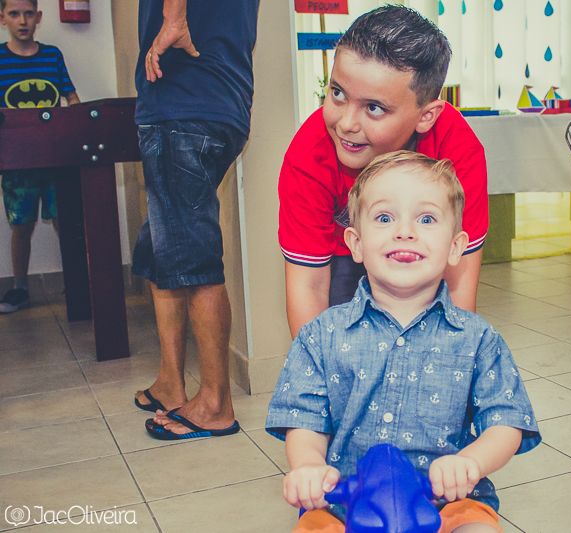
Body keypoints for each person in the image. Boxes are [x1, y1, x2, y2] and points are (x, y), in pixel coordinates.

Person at [266, 151, 539, 533]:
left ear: (456, 247)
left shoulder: (478, 339)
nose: (405, 231)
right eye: (384, 218)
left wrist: (471, 462)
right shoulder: (321, 335)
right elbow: (304, 420)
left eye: (426, 219)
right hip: (343, 503)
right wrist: (310, 467)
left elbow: (506, 422)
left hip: (449, 503)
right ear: (356, 244)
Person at [279, 5, 488, 339]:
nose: (346, 124)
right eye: (337, 94)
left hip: (426, 262)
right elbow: (310, 287)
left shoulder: (458, 151)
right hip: (341, 263)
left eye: (374, 108)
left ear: (426, 116)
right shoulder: (310, 156)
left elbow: (459, 285)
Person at [132, 0, 259, 439]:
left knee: (191, 254)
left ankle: (214, 403)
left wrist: (173, 17)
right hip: (222, 100)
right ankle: (171, 380)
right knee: (164, 244)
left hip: (182, 99)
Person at [0, 0, 80, 313]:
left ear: (39, 17)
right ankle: (20, 288)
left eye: (29, 13)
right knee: (21, 225)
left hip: (55, 156)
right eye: (14, 14)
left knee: (66, 220)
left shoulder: (52, 56)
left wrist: (81, 130)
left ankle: (77, 281)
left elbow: (71, 98)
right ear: (3, 17)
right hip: (18, 162)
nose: (23, 20)